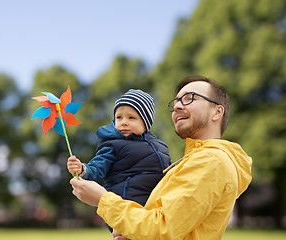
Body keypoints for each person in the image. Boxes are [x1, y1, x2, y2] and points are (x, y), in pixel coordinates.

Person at [69, 76, 252, 240]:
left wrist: (102, 199)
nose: (178, 106)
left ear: (217, 112)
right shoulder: (192, 161)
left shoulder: (210, 161)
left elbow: (163, 229)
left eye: (190, 98)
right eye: (176, 102)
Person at [67, 89, 172, 232]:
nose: (123, 123)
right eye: (119, 117)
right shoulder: (113, 145)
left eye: (131, 118)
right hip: (124, 207)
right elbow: (97, 167)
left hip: (155, 209)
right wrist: (83, 169)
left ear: (146, 122)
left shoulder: (161, 146)